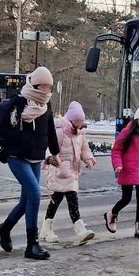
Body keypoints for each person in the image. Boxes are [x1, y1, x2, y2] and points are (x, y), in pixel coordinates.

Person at [0, 67, 59, 260]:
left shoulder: (46, 104)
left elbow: (50, 130)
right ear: (35, 84)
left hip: (36, 158)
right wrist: (13, 143)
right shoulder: (19, 102)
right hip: (17, 157)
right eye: (44, 86)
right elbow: (4, 128)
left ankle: (4, 229)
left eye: (49, 87)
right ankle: (32, 245)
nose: (46, 90)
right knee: (35, 194)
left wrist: (55, 152)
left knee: (26, 201)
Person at [41, 101, 97, 246]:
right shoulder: (60, 131)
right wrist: (49, 159)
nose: (79, 126)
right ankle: (79, 231)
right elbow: (50, 148)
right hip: (59, 171)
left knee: (57, 201)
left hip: (71, 172)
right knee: (67, 200)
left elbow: (84, 149)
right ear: (71, 121)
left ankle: (46, 229)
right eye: (77, 123)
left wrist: (89, 159)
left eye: (81, 123)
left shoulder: (80, 133)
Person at [106, 105, 139, 239]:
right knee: (126, 198)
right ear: (136, 119)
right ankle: (112, 213)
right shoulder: (127, 132)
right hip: (128, 170)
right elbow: (116, 150)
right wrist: (118, 165)